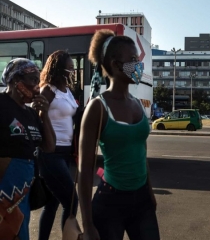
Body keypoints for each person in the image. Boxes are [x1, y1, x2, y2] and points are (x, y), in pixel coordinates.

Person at [78, 29, 160, 240]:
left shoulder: (137, 105)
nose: (138, 65)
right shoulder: (98, 107)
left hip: (142, 201)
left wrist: (149, 191)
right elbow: (85, 171)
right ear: (115, 64)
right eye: (133, 60)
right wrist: (87, 226)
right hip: (109, 203)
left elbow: (142, 150)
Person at [0, 58, 56, 240]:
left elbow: (49, 146)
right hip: (5, 187)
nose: (36, 86)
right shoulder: (2, 104)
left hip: (23, 189)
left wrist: (44, 115)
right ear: (16, 81)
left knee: (20, 229)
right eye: (32, 80)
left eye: (37, 80)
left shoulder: (31, 113)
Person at [37, 50, 79, 240]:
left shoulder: (67, 91)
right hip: (50, 153)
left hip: (65, 153)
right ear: (59, 68)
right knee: (72, 201)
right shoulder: (49, 89)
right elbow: (37, 113)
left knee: (52, 204)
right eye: (70, 68)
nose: (73, 71)